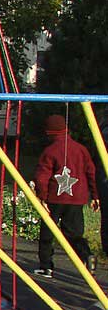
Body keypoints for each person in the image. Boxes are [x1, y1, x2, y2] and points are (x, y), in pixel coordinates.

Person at [34, 113, 99, 277]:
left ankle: (46, 266)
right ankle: (87, 255)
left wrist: (42, 197)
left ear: (49, 132)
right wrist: (95, 195)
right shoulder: (81, 149)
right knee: (74, 234)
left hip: (54, 198)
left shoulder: (50, 151)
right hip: (76, 198)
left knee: (47, 233)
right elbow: (91, 173)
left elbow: (42, 177)